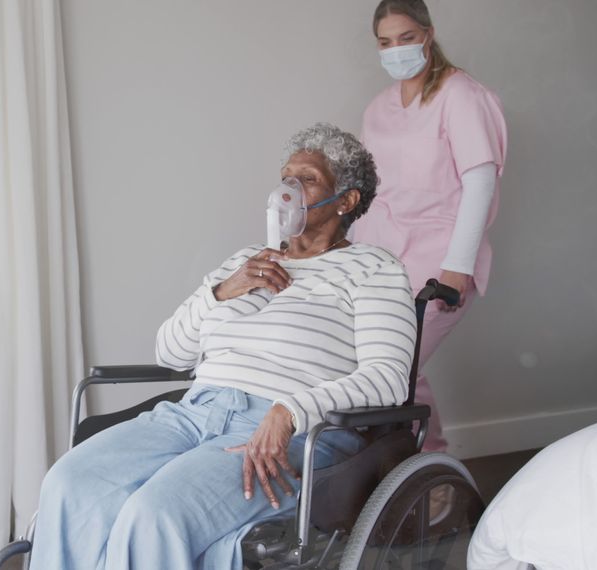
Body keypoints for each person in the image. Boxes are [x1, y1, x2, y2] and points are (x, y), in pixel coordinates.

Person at [28, 123, 418, 569]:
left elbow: (387, 379)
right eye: (285, 177)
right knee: (70, 482)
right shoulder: (247, 261)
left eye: (307, 179)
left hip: (285, 430)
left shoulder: (373, 268)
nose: (288, 189)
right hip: (194, 412)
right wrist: (220, 291)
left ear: (346, 201)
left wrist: (291, 410)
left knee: (155, 514)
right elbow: (170, 353)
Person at [351, 0, 508, 453]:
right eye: (385, 42)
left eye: (405, 38)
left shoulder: (461, 96)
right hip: (380, 259)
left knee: (397, 365)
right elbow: (371, 192)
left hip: (438, 258)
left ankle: (433, 474)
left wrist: (456, 268)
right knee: (369, 367)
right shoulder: (378, 108)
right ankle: (386, 473)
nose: (395, 50)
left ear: (428, 33)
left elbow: (478, 184)